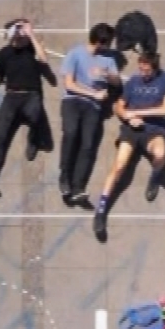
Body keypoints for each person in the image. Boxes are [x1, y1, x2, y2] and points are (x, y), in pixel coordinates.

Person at [91, 49, 165, 242]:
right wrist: (127, 116)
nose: (143, 73)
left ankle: (154, 178)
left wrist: (138, 113)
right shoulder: (133, 81)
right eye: (141, 69)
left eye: (146, 70)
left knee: (160, 155)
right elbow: (119, 106)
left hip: (154, 130)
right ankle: (101, 211)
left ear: (155, 68)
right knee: (118, 167)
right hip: (132, 130)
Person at [0, 19, 56, 205]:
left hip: (31, 96)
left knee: (36, 119)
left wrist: (32, 35)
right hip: (11, 98)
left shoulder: (33, 49)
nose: (21, 32)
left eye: (24, 28)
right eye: (19, 28)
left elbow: (44, 60)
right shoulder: (5, 53)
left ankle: (33, 139)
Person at [56, 23, 123, 209]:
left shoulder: (108, 60)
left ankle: (78, 187)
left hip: (93, 107)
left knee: (87, 144)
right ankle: (64, 177)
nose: (111, 45)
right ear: (101, 42)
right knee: (70, 133)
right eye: (109, 42)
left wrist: (107, 75)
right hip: (72, 101)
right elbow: (69, 84)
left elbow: (117, 83)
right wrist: (93, 94)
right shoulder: (75, 54)